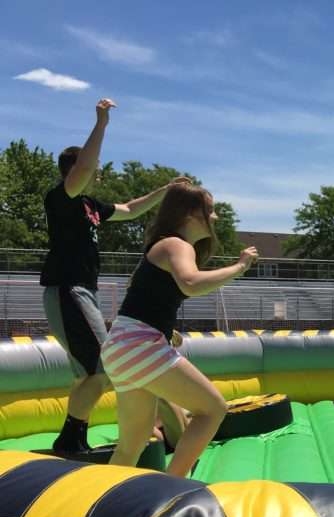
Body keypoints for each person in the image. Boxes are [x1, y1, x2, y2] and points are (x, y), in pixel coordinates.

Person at [42, 97, 187, 454]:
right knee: (103, 367)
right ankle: (70, 438)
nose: (97, 171)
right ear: (73, 171)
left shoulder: (90, 206)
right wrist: (101, 124)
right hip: (68, 289)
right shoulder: (62, 197)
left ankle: (72, 436)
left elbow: (130, 209)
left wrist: (164, 191)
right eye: (89, 168)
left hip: (82, 291)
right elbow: (85, 168)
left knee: (89, 371)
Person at [99, 184, 258, 477]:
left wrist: (165, 331)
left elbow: (148, 298)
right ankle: (173, 487)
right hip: (138, 345)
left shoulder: (164, 246)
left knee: (130, 446)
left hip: (120, 347)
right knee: (212, 409)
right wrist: (239, 267)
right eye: (209, 210)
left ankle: (101, 500)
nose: (216, 217)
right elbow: (191, 283)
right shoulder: (176, 245)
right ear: (189, 214)